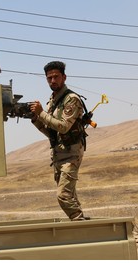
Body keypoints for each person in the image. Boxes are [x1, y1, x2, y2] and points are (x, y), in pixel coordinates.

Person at [30, 61, 88, 221]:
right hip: (58, 155)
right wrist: (36, 119)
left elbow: (63, 127)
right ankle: (82, 226)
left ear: (64, 77)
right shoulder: (52, 101)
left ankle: (82, 227)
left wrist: (41, 113)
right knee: (70, 196)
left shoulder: (71, 99)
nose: (53, 81)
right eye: (49, 78)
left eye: (56, 77)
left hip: (71, 154)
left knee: (63, 196)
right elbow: (52, 133)